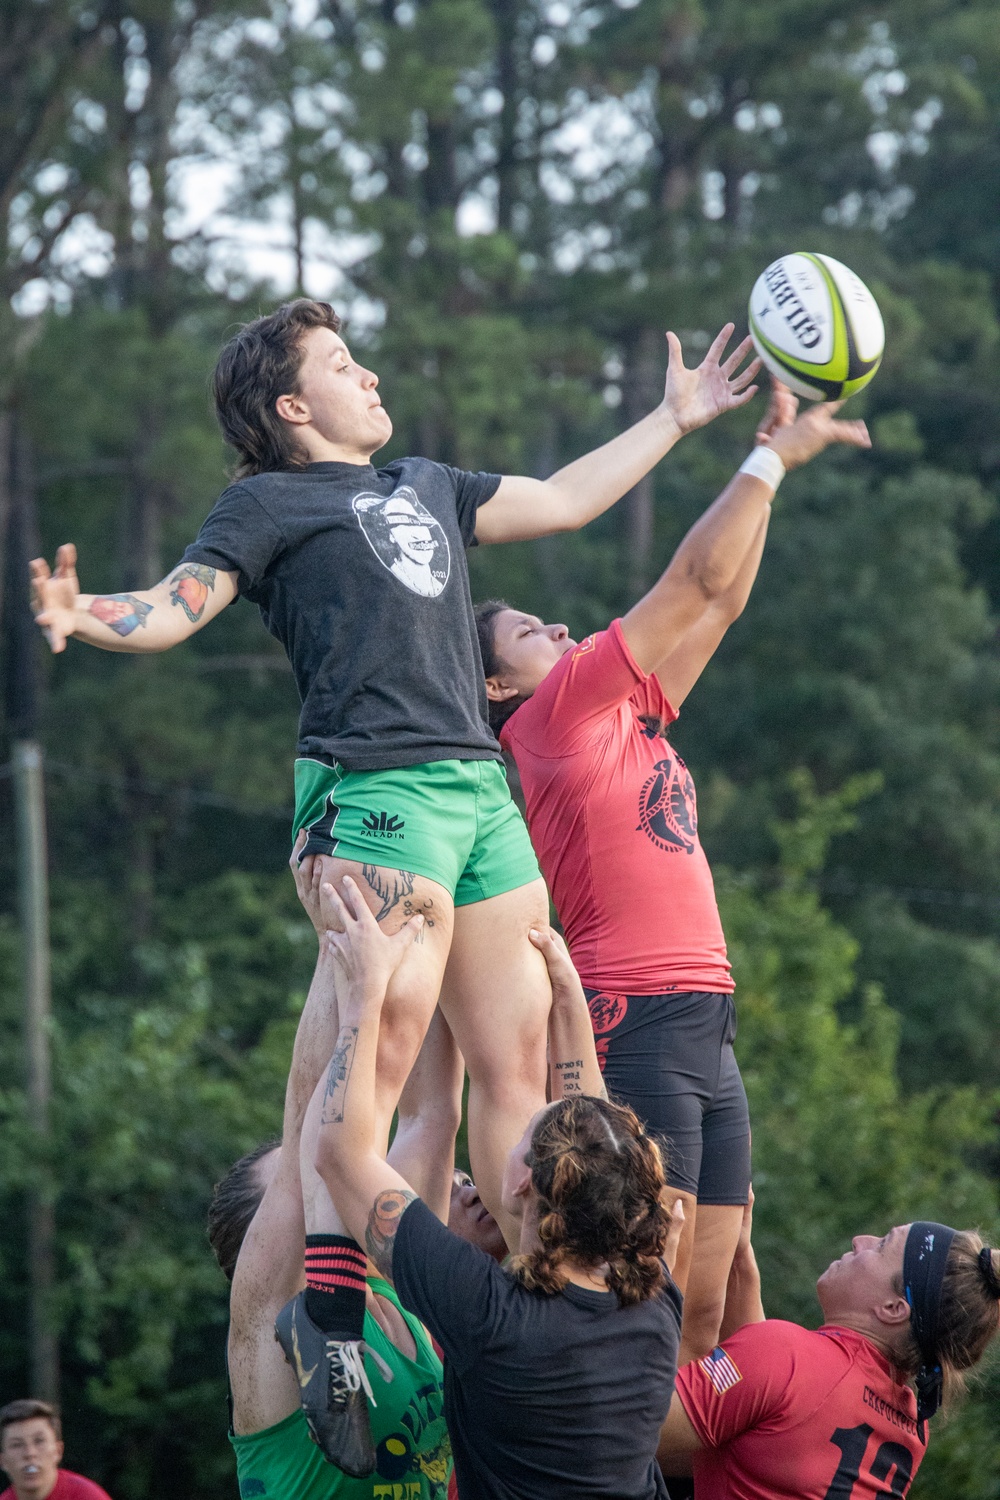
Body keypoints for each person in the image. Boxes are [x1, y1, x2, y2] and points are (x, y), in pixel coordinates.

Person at [29, 300, 759, 1270]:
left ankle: (537, 1292)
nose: (368, 375)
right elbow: (175, 606)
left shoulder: (428, 483)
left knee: (519, 1070)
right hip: (374, 788)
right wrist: (85, 613)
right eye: (341, 363)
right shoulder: (264, 506)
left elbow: (565, 498)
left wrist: (674, 416)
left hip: (477, 794)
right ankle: (341, 1308)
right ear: (292, 407)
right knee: (381, 1056)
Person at [475, 388, 871, 1361]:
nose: (557, 628)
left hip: (705, 1016)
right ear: (495, 688)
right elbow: (691, 580)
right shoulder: (550, 720)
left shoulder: (621, 711)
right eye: (528, 630)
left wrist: (771, 468)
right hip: (638, 1016)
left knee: (706, 1305)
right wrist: (768, 460)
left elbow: (723, 597)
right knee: (649, 1297)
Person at [309, 874, 685, 1500]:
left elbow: (339, 1152)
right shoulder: (652, 1306)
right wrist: (568, 1007)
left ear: (519, 1180)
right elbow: (594, 1144)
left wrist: (365, 996)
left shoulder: (491, 1312)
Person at [210, 839, 458, 1488]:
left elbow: (433, 1119)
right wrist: (337, 944)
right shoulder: (268, 1342)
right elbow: (308, 1142)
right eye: (292, 1195)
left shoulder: (389, 1292)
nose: (328, 1181)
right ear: (255, 1261)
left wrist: (439, 935)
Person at [658, 1198, 1000, 1498]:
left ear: (894, 1309)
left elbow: (630, 1427)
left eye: (881, 1246)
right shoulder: (911, 1426)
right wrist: (740, 1266)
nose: (860, 1241)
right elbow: (777, 1410)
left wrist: (653, 1281)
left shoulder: (787, 1357)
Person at [0, 1402, 111, 1500]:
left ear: (58, 1451)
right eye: (17, 1445)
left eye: (39, 1441)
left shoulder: (87, 1496)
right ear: (3, 1461)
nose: (30, 1453)